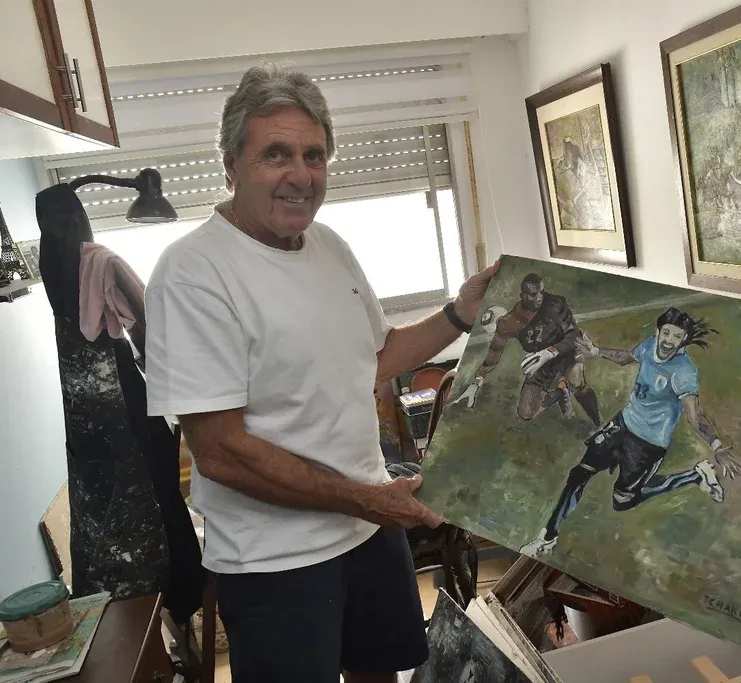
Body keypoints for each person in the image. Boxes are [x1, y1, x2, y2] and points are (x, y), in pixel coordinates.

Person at [144, 64, 497, 683]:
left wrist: (459, 314)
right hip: (276, 561)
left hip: (369, 530)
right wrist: (367, 499)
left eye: (314, 156)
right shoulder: (193, 272)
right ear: (231, 165)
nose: (301, 175)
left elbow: (374, 358)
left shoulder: (328, 244)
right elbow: (220, 452)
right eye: (275, 154)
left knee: (380, 674)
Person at [520, 308, 741, 556]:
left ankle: (695, 475)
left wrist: (716, 445)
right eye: (666, 333)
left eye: (676, 337)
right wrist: (596, 352)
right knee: (578, 475)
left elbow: (694, 417)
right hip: (622, 424)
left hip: (648, 445)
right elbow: (627, 357)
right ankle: (547, 538)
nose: (668, 341)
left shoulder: (684, 372)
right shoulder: (650, 346)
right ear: (658, 332)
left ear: (683, 342)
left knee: (623, 501)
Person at [452, 272, 602, 427]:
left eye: (541, 292)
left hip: (564, 351)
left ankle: (600, 423)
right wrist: (475, 383)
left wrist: (551, 351)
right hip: (540, 361)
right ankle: (560, 391)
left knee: (576, 380)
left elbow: (573, 336)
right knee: (526, 412)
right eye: (533, 294)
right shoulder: (510, 321)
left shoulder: (556, 304)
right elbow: (494, 352)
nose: (539, 297)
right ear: (522, 295)